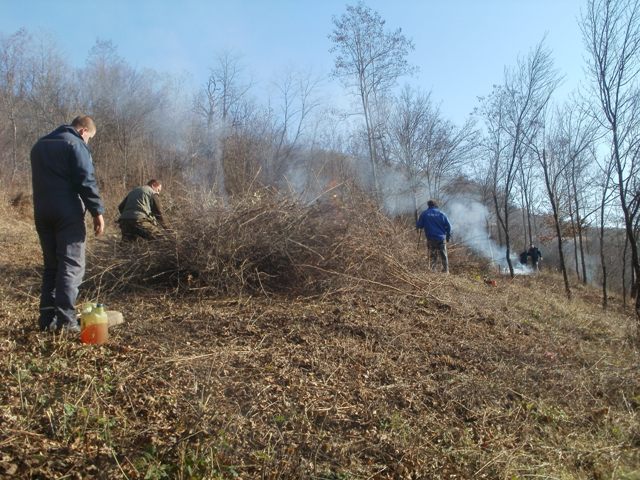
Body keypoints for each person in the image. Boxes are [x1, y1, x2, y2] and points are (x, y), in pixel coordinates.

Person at [31, 115, 105, 332]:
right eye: (89, 138)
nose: (87, 142)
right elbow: (86, 179)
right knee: (71, 265)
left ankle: (47, 320)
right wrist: (97, 211)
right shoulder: (75, 143)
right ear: (83, 131)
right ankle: (66, 321)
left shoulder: (39, 145)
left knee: (52, 266)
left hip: (42, 211)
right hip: (67, 213)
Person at [416, 200, 452, 273]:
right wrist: (448, 236)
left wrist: (419, 221)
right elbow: (449, 226)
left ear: (428, 205)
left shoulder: (424, 214)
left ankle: (433, 271)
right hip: (441, 238)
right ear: (436, 205)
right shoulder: (442, 214)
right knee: (443, 255)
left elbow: (419, 225)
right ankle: (446, 271)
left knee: (433, 255)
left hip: (431, 238)